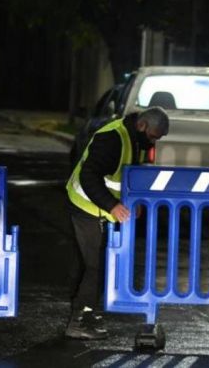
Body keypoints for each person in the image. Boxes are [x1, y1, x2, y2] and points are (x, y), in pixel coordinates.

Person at [64, 106, 169, 339]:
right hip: (86, 205)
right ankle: (78, 321)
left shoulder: (137, 139)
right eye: (153, 136)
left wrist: (135, 200)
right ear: (142, 126)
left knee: (94, 264)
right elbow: (88, 176)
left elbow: (130, 175)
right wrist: (112, 204)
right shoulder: (112, 137)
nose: (153, 143)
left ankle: (87, 313)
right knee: (95, 265)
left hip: (101, 208)